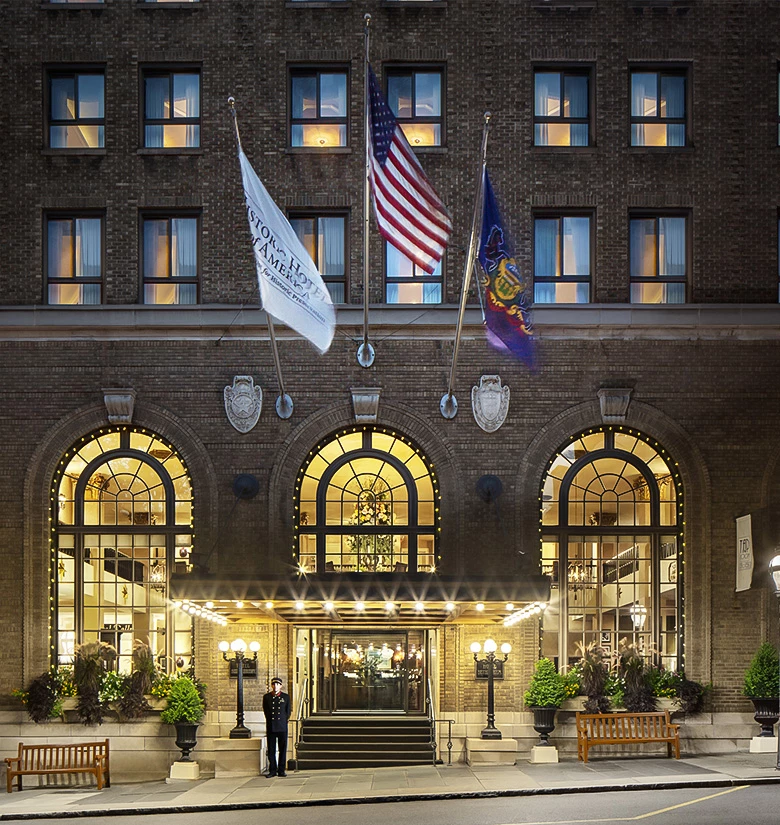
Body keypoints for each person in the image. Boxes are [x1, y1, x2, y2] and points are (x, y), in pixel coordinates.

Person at [262, 676, 291, 777]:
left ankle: (281, 770)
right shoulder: (267, 697)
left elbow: (287, 712)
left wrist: (284, 720)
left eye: (278, 684)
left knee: (282, 749)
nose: (275, 686)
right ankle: (272, 770)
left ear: (281, 686)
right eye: (274, 684)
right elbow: (266, 711)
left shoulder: (285, 697)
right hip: (271, 726)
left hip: (282, 726)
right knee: (271, 749)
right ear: (271, 685)